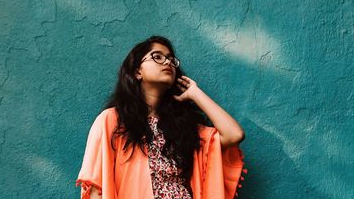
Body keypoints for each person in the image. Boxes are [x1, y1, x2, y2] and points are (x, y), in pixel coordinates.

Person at [76, 36, 247, 199]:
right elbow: (95, 188)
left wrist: (195, 93)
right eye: (157, 57)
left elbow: (234, 134)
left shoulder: (183, 129)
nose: (167, 62)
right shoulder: (112, 121)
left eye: (171, 60)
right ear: (137, 72)